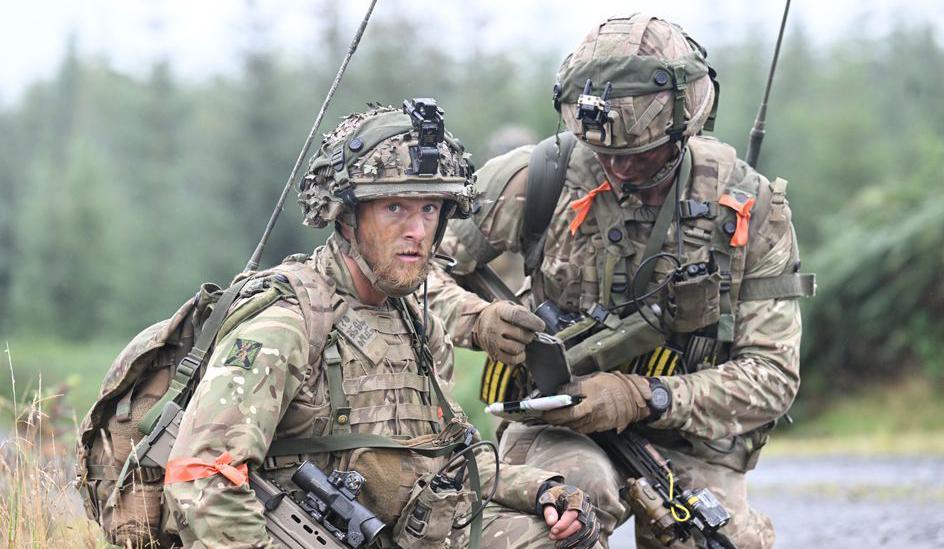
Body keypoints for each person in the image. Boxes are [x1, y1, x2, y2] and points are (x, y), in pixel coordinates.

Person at [427, 15, 813, 549]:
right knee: (568, 507)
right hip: (553, 427)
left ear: (685, 126)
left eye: (642, 154)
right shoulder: (538, 177)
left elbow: (771, 376)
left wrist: (644, 396)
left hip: (689, 439)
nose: (619, 170)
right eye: (605, 154)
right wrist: (477, 319)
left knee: (717, 540)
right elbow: (412, 268)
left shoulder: (748, 208)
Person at [161, 100, 601, 549]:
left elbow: (452, 464)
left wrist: (543, 488)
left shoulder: (420, 328)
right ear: (348, 219)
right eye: (395, 208)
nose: (417, 230)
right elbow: (201, 479)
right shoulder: (286, 325)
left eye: (430, 208)